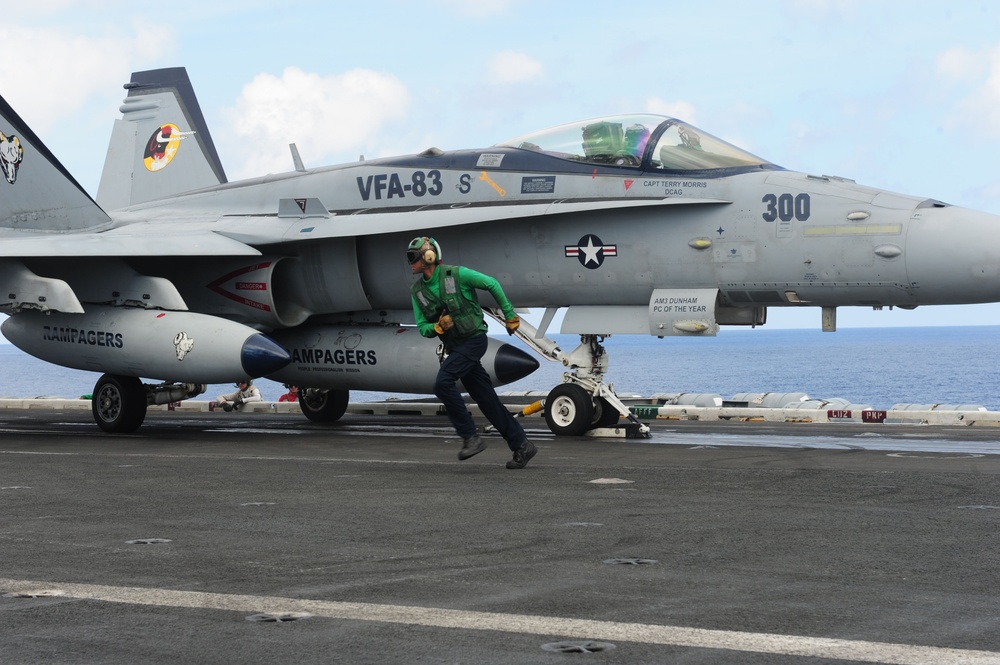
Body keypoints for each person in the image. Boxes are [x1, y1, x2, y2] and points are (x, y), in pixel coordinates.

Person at [407, 236, 537, 469]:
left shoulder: (458, 275)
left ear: (429, 257)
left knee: (442, 383)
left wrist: (509, 315)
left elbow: (492, 284)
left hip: (474, 340)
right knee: (487, 400)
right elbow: (422, 326)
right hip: (456, 347)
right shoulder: (417, 292)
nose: (410, 262)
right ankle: (522, 445)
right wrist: (435, 327)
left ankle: (470, 437)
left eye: (412, 257)